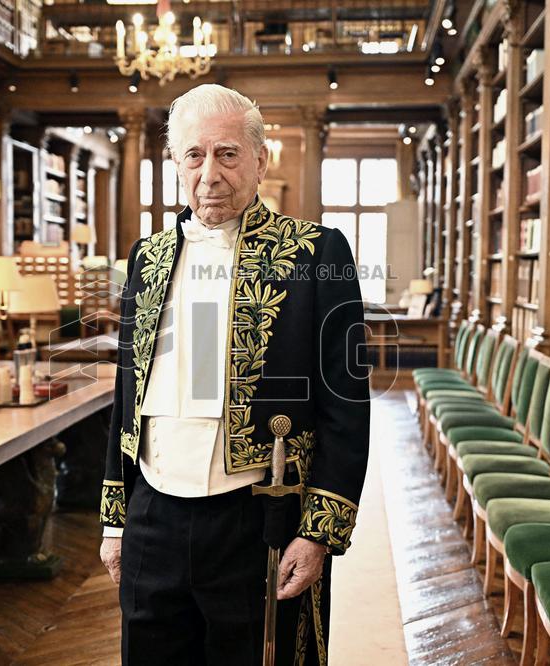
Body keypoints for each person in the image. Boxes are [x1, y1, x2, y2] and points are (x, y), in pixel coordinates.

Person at [99, 84, 370, 665]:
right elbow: (127, 392)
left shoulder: (318, 253)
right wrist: (115, 520)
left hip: (258, 517)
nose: (209, 174)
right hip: (153, 514)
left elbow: (346, 405)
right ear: (176, 164)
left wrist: (319, 530)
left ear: (259, 160)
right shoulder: (146, 258)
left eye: (227, 153)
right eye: (193, 156)